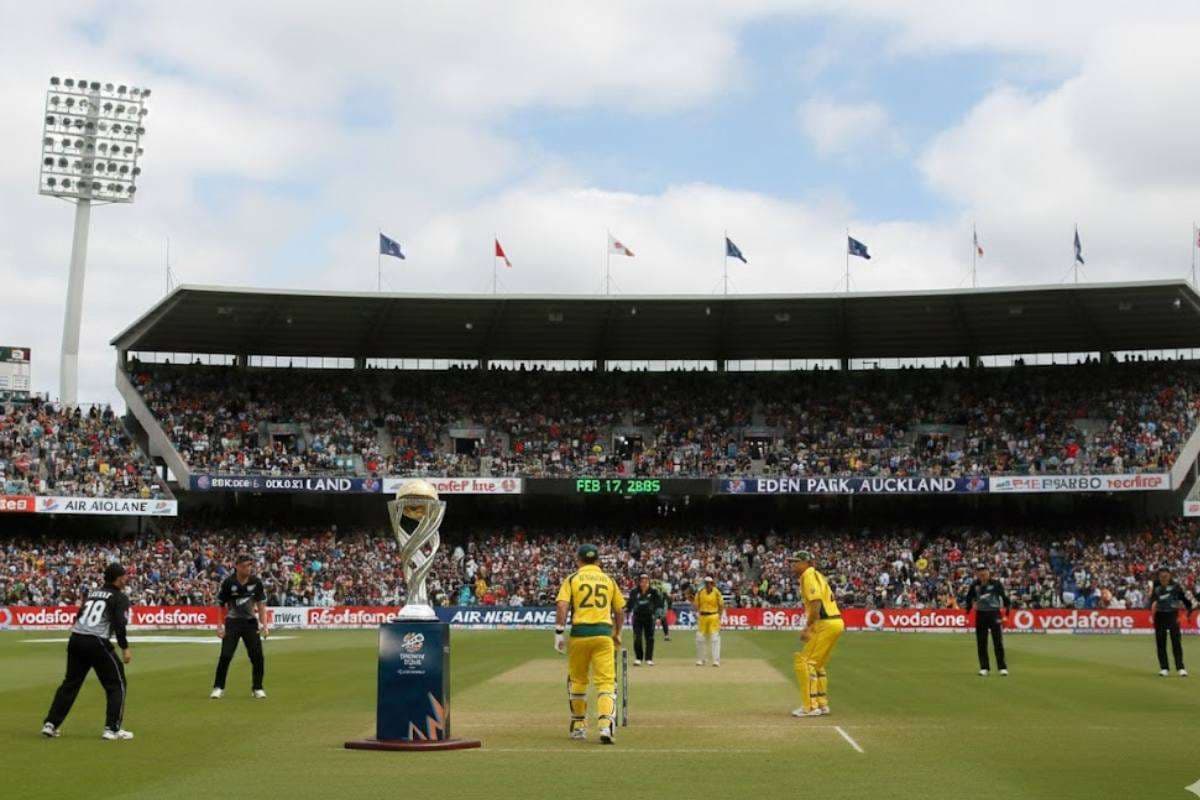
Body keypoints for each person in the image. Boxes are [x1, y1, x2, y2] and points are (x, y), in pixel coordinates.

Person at [42, 563, 134, 740]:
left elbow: (79, 615)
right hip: (97, 641)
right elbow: (119, 624)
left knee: (70, 683)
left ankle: (50, 724)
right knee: (117, 684)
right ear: (117, 578)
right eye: (124, 575)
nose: (126, 578)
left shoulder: (93, 594)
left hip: (76, 638)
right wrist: (125, 648)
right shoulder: (119, 597)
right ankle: (112, 729)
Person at [555, 543, 626, 744]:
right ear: (598, 560)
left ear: (578, 559)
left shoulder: (573, 578)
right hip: (603, 635)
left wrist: (559, 633)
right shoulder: (609, 580)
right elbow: (620, 610)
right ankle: (606, 726)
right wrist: (618, 632)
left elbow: (562, 605)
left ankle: (578, 726)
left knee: (577, 680)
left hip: (579, 634)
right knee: (606, 682)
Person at [790, 551, 843, 718]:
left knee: (804, 662)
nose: (793, 566)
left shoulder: (809, 575)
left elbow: (816, 603)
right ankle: (821, 703)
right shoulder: (816, 575)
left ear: (806, 562)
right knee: (817, 664)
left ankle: (810, 706)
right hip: (835, 622)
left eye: (796, 562)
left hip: (825, 623)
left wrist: (808, 627)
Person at [210, 554, 270, 699]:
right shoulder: (228, 583)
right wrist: (219, 626)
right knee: (225, 656)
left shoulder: (256, 582)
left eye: (250, 565)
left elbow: (261, 605)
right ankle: (218, 687)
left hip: (250, 623)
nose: (248, 568)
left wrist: (265, 625)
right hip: (233, 623)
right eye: (244, 566)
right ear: (236, 566)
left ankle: (257, 688)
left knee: (257, 657)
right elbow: (221, 605)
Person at [964, 563, 1009, 676]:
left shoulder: (996, 584)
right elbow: (969, 597)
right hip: (981, 614)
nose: (982, 573)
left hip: (994, 614)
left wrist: (1006, 613)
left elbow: (1004, 597)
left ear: (988, 572)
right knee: (981, 642)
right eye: (979, 571)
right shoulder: (975, 585)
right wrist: (968, 609)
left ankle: (1002, 668)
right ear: (977, 573)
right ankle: (984, 668)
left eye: (984, 570)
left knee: (997, 641)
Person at [1149, 566, 1193, 677]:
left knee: (1176, 642)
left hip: (1173, 615)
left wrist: (1189, 606)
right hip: (1159, 616)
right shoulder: (1156, 585)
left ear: (1169, 576)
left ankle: (1180, 668)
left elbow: (1182, 598)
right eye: (1161, 576)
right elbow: (1153, 599)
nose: (1163, 578)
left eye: (1165, 576)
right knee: (1161, 643)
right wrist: (1153, 605)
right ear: (1159, 577)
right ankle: (1164, 668)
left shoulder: (1176, 586)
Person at [627, 573, 663, 666]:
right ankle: (638, 658)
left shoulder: (654, 592)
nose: (644, 583)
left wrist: (658, 617)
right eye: (642, 581)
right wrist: (626, 610)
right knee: (637, 638)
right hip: (637, 617)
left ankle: (649, 658)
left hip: (649, 617)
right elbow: (630, 604)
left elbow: (659, 605)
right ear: (639, 582)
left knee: (650, 638)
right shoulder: (634, 591)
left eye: (646, 581)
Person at [694, 576, 724, 666]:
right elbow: (696, 604)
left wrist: (720, 615)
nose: (707, 585)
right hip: (702, 616)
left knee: (715, 638)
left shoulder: (716, 592)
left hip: (713, 616)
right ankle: (701, 659)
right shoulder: (700, 592)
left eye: (709, 583)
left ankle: (716, 660)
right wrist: (697, 613)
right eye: (706, 583)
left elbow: (721, 604)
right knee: (700, 638)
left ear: (712, 583)